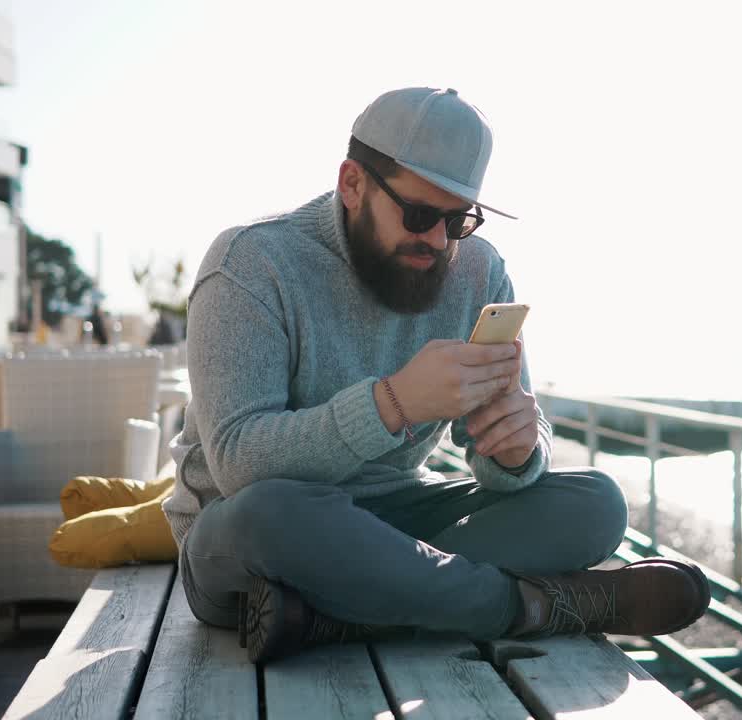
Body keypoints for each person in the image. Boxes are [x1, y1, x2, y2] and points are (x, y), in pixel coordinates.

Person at [163, 87, 709, 663]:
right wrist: (393, 405)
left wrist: (518, 452)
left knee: (595, 503)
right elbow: (238, 467)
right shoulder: (251, 263)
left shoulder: (479, 272)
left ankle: (341, 615)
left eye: (458, 220)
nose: (438, 240)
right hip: (254, 535)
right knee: (270, 515)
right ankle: (531, 608)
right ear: (352, 184)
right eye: (420, 215)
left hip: (400, 521)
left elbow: (502, 471)